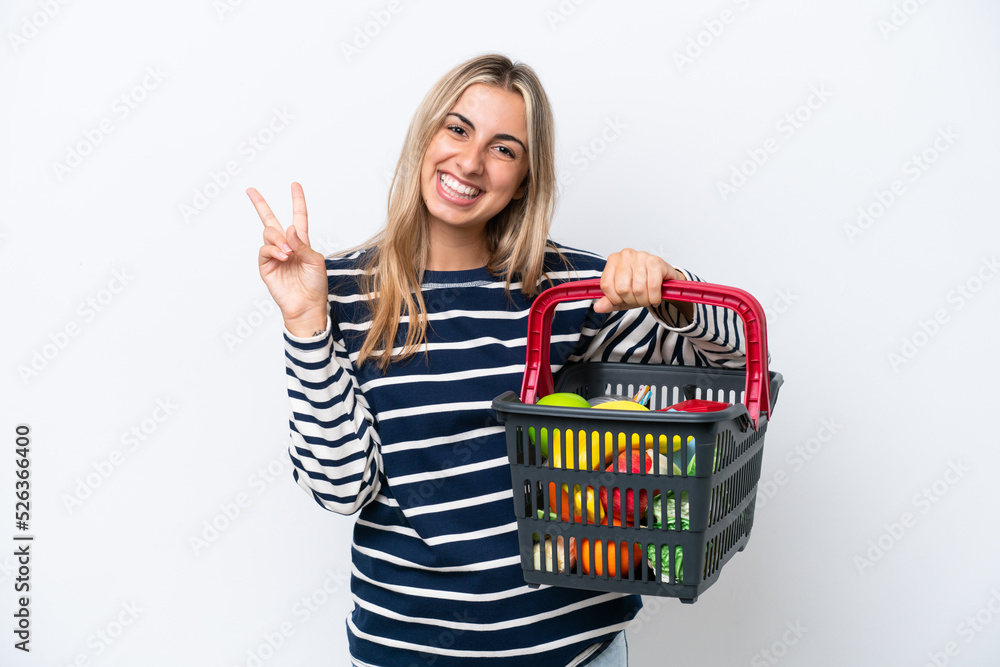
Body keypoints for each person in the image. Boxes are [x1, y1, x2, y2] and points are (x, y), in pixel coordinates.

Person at [248, 54, 745, 667]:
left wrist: (674, 290)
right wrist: (305, 325)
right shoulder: (341, 291)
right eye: (457, 129)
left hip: (574, 650)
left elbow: (734, 366)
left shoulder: (567, 290)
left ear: (526, 176)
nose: (470, 162)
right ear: (426, 135)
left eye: (503, 148)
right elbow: (340, 486)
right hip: (409, 652)